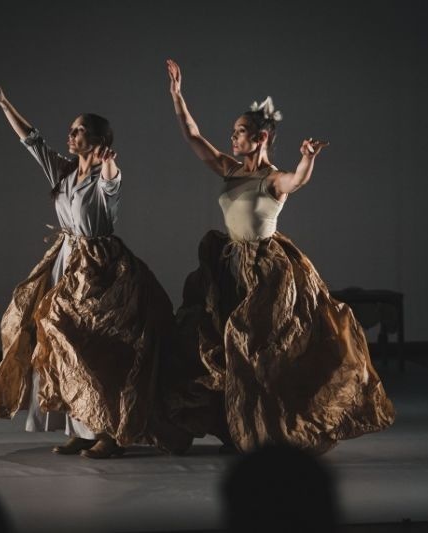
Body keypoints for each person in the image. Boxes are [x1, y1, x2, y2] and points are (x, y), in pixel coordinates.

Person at [163, 59, 395, 454]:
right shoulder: (229, 169)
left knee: (257, 351)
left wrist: (308, 157)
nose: (233, 137)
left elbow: (298, 179)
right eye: (234, 131)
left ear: (261, 137)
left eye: (240, 132)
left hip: (264, 271)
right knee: (221, 348)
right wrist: (177, 95)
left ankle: (263, 430)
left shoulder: (273, 179)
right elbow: (193, 136)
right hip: (228, 266)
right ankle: (233, 427)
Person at [0, 82, 180, 458]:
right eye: (71, 130)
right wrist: (4, 101)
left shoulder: (104, 177)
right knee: (62, 345)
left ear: (99, 139)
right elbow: (32, 141)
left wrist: (109, 161)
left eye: (79, 131)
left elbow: (112, 182)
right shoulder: (63, 173)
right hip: (66, 265)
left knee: (99, 349)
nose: (70, 135)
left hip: (101, 271)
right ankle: (80, 428)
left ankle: (109, 433)